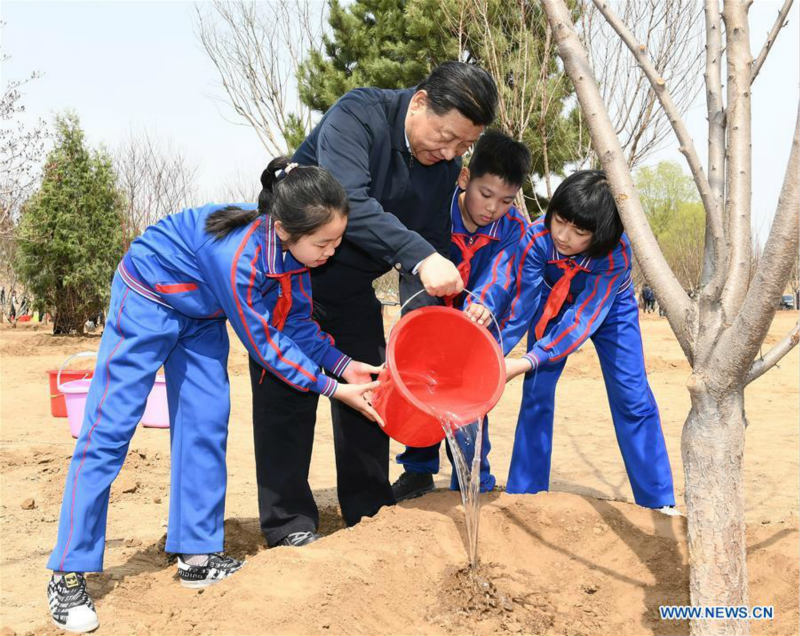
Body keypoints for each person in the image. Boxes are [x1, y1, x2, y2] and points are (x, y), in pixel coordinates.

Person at [45, 158, 382, 633]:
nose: (331, 251)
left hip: (201, 317)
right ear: (284, 228)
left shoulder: (298, 256)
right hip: (148, 296)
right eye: (324, 242)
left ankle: (197, 555)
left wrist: (346, 364)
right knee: (109, 428)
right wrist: (334, 389)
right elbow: (266, 346)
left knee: (206, 425)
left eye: (336, 241)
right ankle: (67, 572)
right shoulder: (239, 255)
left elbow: (299, 324)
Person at [249, 61, 498, 547]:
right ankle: (289, 524)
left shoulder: (443, 167)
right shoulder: (358, 116)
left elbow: (431, 235)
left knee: (371, 390)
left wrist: (443, 298)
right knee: (287, 396)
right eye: (446, 136)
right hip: (287, 283)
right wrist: (422, 258)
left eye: (462, 146)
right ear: (422, 101)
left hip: (350, 289)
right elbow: (352, 203)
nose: (449, 152)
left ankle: (367, 512)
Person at [501, 170, 676, 512]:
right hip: (551, 302)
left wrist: (530, 359)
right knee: (537, 392)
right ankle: (527, 493)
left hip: (610, 309)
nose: (563, 237)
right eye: (560, 221)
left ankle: (657, 501)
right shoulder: (537, 238)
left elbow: (582, 319)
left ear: (601, 235)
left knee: (633, 397)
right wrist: (497, 353)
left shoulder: (615, 255)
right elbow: (521, 305)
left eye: (579, 232)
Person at [391, 130, 531, 500]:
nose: (492, 209)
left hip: (474, 322)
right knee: (421, 383)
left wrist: (485, 299)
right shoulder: (435, 207)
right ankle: (417, 469)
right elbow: (412, 257)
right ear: (465, 178)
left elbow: (503, 270)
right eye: (485, 195)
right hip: (426, 311)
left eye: (505, 200)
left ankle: (472, 478)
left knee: (469, 393)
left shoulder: (513, 228)